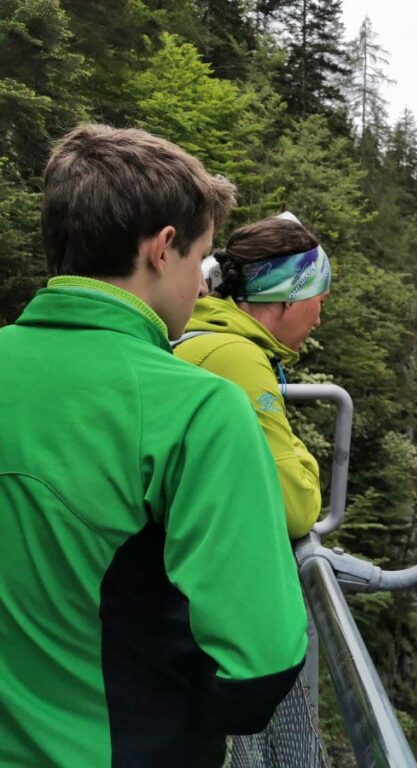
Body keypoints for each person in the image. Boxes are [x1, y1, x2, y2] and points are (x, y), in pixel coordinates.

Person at [0, 125, 309, 767]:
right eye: (201, 259)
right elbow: (259, 668)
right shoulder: (198, 409)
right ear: (162, 249)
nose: (202, 288)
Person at [173, 213, 330, 539]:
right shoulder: (235, 357)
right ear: (290, 294)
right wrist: (307, 464)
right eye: (320, 301)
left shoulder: (204, 335)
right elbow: (296, 509)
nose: (318, 320)